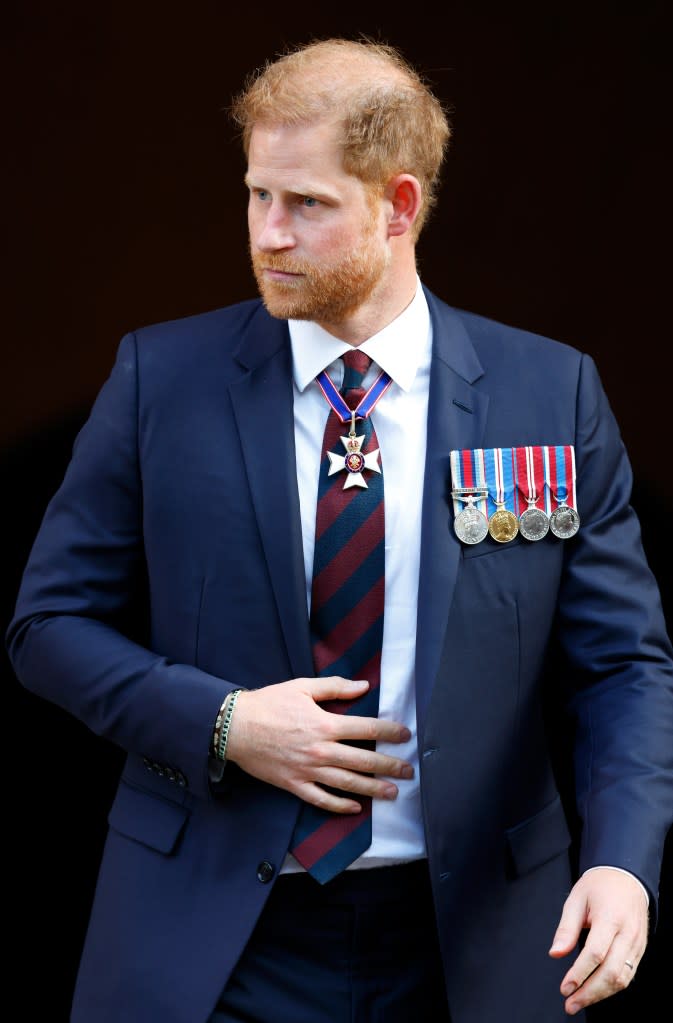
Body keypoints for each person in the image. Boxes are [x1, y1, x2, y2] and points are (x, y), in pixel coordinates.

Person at [6, 36, 673, 1023]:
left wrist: (623, 860)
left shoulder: (549, 394)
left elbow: (620, 663)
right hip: (211, 934)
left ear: (398, 205)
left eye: (305, 204)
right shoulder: (160, 381)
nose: (268, 233)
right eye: (255, 195)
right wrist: (225, 724)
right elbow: (46, 626)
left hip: (472, 940)